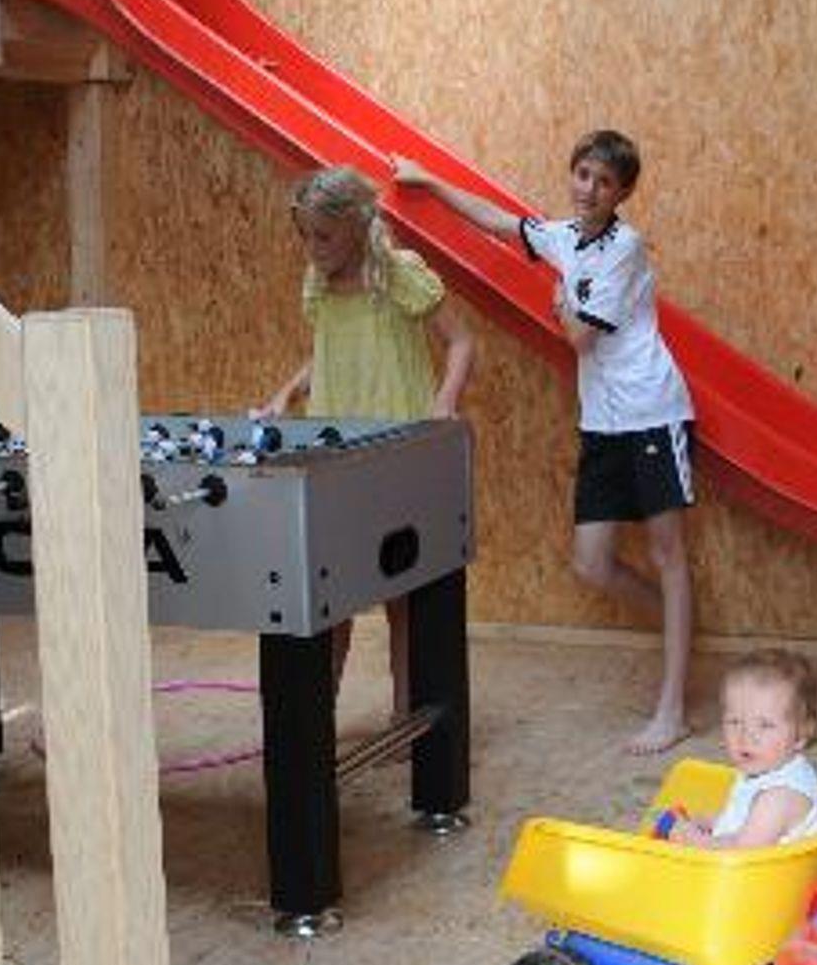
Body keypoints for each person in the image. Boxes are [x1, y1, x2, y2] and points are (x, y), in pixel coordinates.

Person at [393, 131, 697, 755]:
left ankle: (673, 709)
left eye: (604, 182)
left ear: (622, 193)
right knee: (591, 563)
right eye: (583, 174)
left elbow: (580, 337)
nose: (589, 189)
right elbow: (498, 220)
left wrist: (560, 302)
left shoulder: (624, 247)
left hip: (652, 411)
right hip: (604, 421)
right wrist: (427, 180)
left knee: (669, 555)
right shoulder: (564, 236)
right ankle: (684, 631)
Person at [258, 166, 475, 719]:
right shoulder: (318, 282)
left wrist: (444, 402)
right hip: (336, 455)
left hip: (395, 449)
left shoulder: (399, 275)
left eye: (323, 236)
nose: (312, 248)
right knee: (330, 598)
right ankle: (317, 722)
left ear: (356, 226)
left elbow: (461, 342)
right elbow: (329, 351)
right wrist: (286, 393)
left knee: (402, 596)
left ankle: (405, 715)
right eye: (305, 236)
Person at [665, 649, 817, 849]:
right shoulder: (768, 770)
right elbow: (742, 819)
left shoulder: (779, 797)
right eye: (735, 722)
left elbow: (742, 851)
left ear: (801, 734)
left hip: (765, 868)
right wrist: (709, 822)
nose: (746, 737)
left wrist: (695, 840)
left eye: (765, 725)